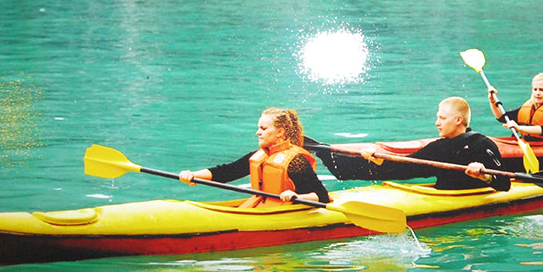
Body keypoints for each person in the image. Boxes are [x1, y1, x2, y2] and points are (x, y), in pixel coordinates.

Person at [179, 107, 329, 208]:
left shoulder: (295, 161)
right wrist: (194, 175)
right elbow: (227, 172)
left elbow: (322, 196)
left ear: (280, 132)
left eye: (263, 129)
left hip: (286, 211)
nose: (258, 132)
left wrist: (296, 196)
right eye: (258, 128)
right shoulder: (261, 155)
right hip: (263, 207)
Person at [362, 97, 511, 191]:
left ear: (458, 120)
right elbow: (407, 168)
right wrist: (380, 160)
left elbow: (505, 185)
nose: (437, 123)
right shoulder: (438, 147)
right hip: (442, 197)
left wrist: (485, 176)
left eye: (442, 118)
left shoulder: (483, 145)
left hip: (476, 211)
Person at [488, 72, 543, 141]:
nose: (537, 93)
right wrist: (492, 100)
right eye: (535, 89)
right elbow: (502, 117)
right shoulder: (529, 107)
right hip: (529, 143)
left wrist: (519, 128)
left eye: (541, 90)